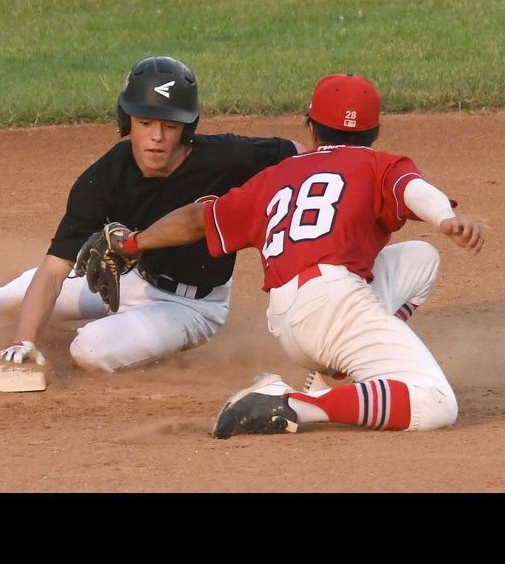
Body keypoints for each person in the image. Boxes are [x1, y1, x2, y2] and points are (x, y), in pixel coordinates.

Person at [0, 59, 442, 375]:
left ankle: (139, 340)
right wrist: (25, 341)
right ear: (125, 123)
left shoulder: (239, 159)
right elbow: (53, 271)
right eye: (144, 124)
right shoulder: (103, 178)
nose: (156, 138)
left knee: (89, 352)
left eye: (169, 126)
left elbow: (315, 164)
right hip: (124, 280)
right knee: (3, 298)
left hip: (191, 306)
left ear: (188, 129)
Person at [121, 73, 485, 435]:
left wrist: (132, 243)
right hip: (336, 306)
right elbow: (412, 189)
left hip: (290, 315)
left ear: (311, 128)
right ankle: (293, 404)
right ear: (375, 133)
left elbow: (198, 218)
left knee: (422, 259)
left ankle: (336, 373)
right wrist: (445, 218)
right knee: (435, 403)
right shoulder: (379, 163)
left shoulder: (277, 174)